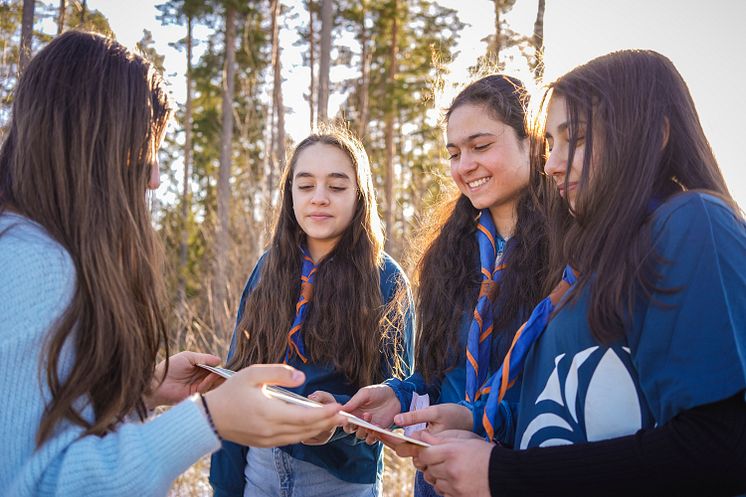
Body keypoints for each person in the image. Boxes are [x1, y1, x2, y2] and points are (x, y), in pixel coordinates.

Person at [0, 31, 345, 497]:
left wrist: (142, 386)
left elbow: (38, 417)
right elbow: (33, 483)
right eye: (144, 145)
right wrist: (208, 420)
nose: (157, 177)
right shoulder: (32, 265)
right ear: (92, 140)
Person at [394, 49, 746, 497]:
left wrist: (500, 474)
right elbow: (566, 400)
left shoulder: (691, 224)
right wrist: (471, 418)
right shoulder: (584, 270)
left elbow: (721, 448)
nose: (551, 164)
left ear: (651, 135)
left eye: (573, 139)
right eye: (553, 143)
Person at [343, 74, 553, 497]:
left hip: (524, 475)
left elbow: (558, 392)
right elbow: (440, 377)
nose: (464, 166)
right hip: (440, 481)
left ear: (532, 143)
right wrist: (399, 398)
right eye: (454, 153)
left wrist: (475, 420)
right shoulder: (449, 254)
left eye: (481, 146)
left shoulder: (570, 251)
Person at [208, 128, 415, 497]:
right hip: (259, 468)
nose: (319, 198)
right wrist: (224, 485)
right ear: (290, 194)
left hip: (340, 480)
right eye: (306, 186)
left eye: (336, 187)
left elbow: (396, 397)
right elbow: (236, 372)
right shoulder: (268, 269)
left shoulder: (386, 280)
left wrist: (337, 420)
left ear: (359, 195)